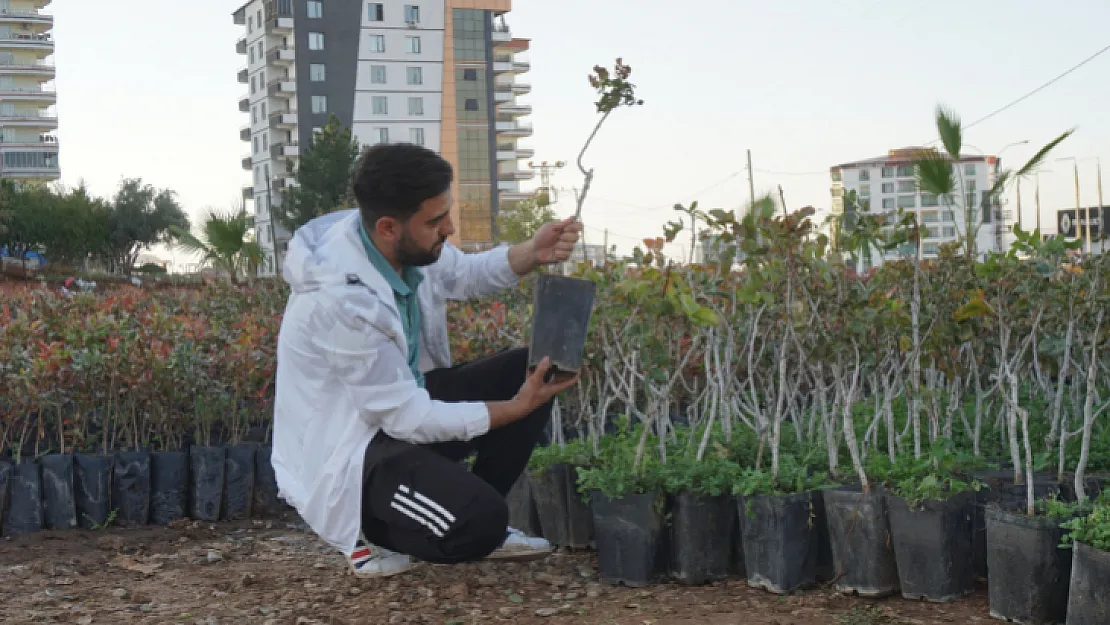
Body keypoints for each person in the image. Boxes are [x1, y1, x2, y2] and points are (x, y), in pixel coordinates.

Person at [272, 143, 583, 578]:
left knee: (526, 372)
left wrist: (533, 250)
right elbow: (406, 419)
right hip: (356, 448)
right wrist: (515, 410)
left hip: (400, 407)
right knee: (479, 524)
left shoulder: (400, 248)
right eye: (436, 221)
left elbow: (465, 274)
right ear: (387, 227)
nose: (449, 228)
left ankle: (468, 506)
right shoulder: (341, 303)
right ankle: (371, 531)